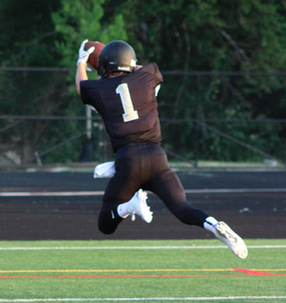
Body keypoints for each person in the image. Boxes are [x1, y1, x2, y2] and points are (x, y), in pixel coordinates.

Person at [75, 39, 248, 259]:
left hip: (129, 159)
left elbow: (81, 86)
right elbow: (137, 70)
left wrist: (82, 61)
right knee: (183, 209)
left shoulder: (101, 89)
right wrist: (127, 64)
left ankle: (129, 206)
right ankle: (213, 225)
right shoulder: (148, 75)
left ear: (105, 68)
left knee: (105, 223)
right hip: (156, 157)